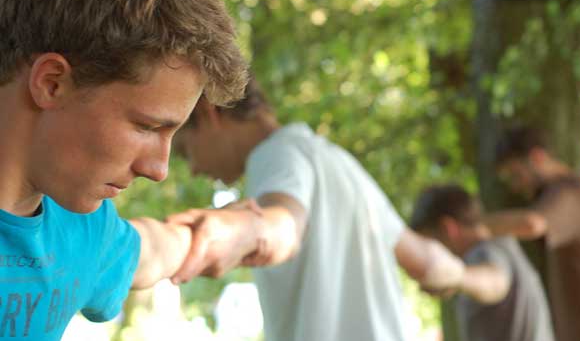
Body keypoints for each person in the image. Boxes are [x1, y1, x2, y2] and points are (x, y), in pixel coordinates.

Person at [0, 0, 248, 339]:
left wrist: (245, 228)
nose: (158, 169)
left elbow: (154, 250)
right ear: (52, 83)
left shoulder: (84, 232)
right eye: (147, 127)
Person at [172, 77, 467, 341]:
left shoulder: (272, 155)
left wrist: (239, 229)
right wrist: (473, 277)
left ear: (208, 112)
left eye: (186, 151)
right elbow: (429, 263)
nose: (194, 169)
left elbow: (285, 222)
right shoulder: (339, 162)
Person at [482, 126, 580, 341]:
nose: (515, 186)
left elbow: (532, 224)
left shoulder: (570, 190)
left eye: (515, 174)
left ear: (537, 157)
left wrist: (472, 227)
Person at [410, 184, 555, 341]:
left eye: (431, 243)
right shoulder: (501, 245)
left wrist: (457, 276)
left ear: (448, 228)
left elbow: (496, 280)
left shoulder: (485, 251)